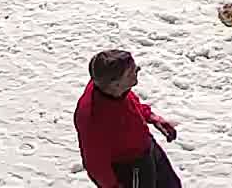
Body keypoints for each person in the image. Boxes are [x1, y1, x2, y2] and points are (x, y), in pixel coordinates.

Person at [74, 48, 180, 188]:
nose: (138, 70)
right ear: (115, 84)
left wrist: (152, 118)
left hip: (147, 148)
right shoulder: (93, 119)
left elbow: (131, 103)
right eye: (132, 71)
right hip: (130, 167)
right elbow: (96, 163)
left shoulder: (112, 90)